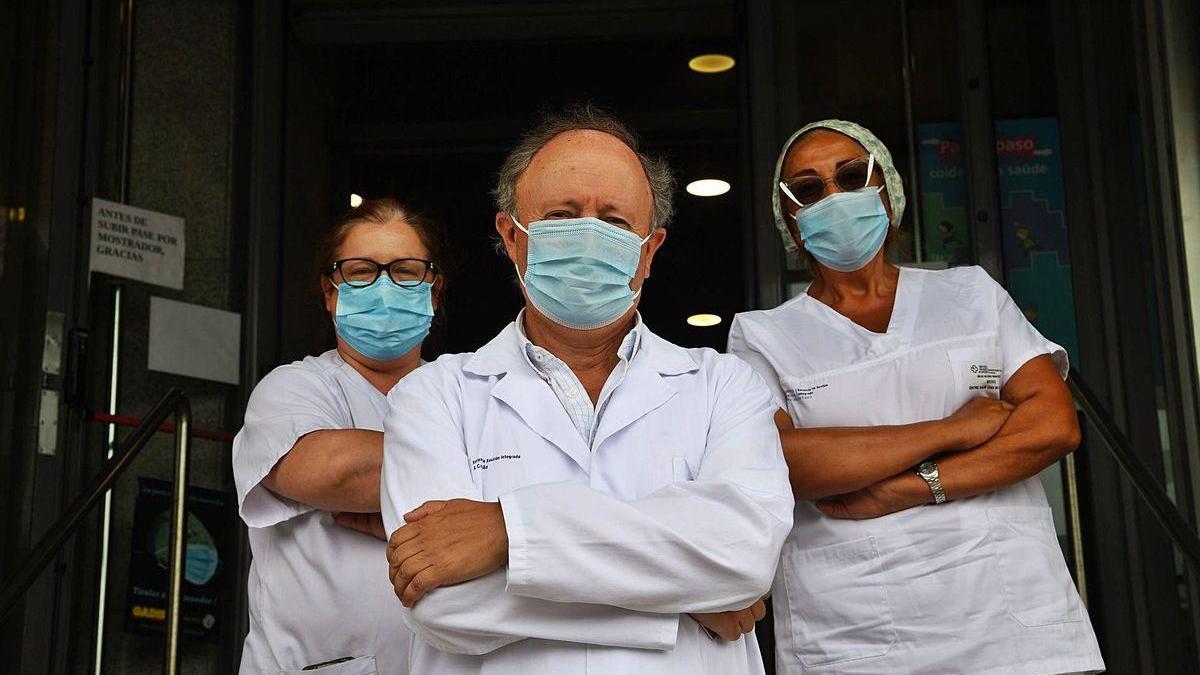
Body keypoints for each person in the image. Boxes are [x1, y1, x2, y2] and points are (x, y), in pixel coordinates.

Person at [379, 104, 794, 675]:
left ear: (649, 252)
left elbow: (744, 556)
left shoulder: (724, 386)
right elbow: (441, 601)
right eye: (563, 215)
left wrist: (508, 531)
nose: (590, 235)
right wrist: (681, 608)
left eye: (617, 223)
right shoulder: (434, 396)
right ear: (512, 236)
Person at [728, 120, 1105, 674]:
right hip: (857, 635)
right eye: (809, 189)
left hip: (1014, 626)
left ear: (888, 188)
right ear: (789, 218)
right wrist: (955, 429)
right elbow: (790, 463)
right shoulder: (762, 336)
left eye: (852, 176)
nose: (834, 196)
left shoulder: (971, 293)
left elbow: (1052, 427)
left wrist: (905, 489)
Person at [232, 197, 447, 674]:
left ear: (434, 291)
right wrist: (480, 476)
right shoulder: (292, 389)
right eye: (361, 271)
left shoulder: (468, 391)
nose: (385, 286)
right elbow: (330, 471)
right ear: (330, 292)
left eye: (407, 272)